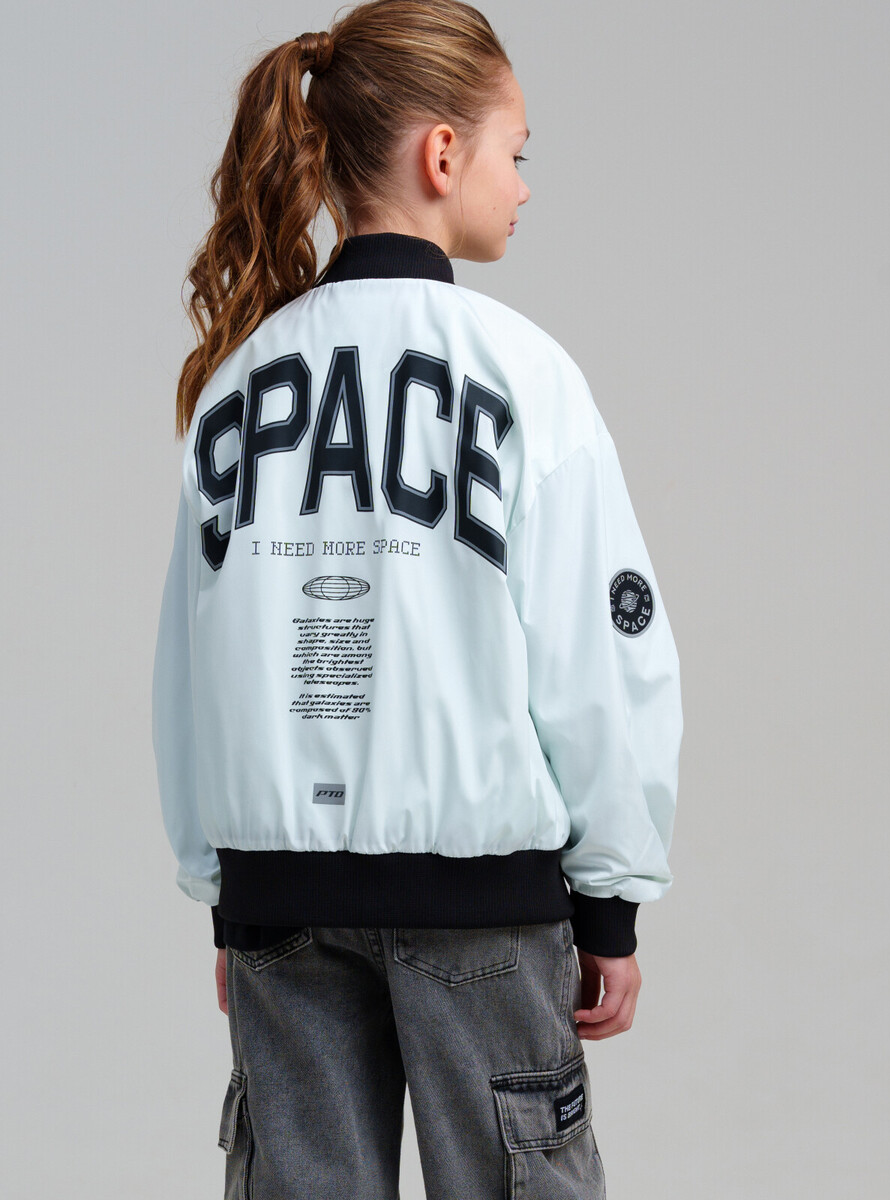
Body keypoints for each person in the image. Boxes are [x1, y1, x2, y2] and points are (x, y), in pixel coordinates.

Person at [151, 2, 682, 1196]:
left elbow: (192, 667)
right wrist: (611, 899)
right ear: (443, 154)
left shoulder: (240, 383)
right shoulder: (526, 378)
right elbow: (602, 655)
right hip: (482, 904)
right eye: (517, 152)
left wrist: (226, 890)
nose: (524, 185)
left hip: (281, 900)